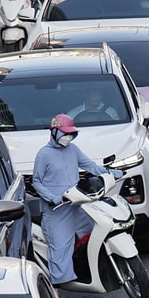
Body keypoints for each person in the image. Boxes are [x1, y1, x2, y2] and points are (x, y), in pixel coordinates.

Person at [32, 115, 119, 286]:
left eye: (70, 134)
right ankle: (57, 294)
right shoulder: (44, 154)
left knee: (95, 234)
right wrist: (53, 198)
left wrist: (111, 173)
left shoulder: (73, 150)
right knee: (60, 250)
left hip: (77, 205)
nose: (68, 137)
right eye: (65, 134)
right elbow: (37, 181)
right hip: (57, 209)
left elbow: (91, 166)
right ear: (54, 132)